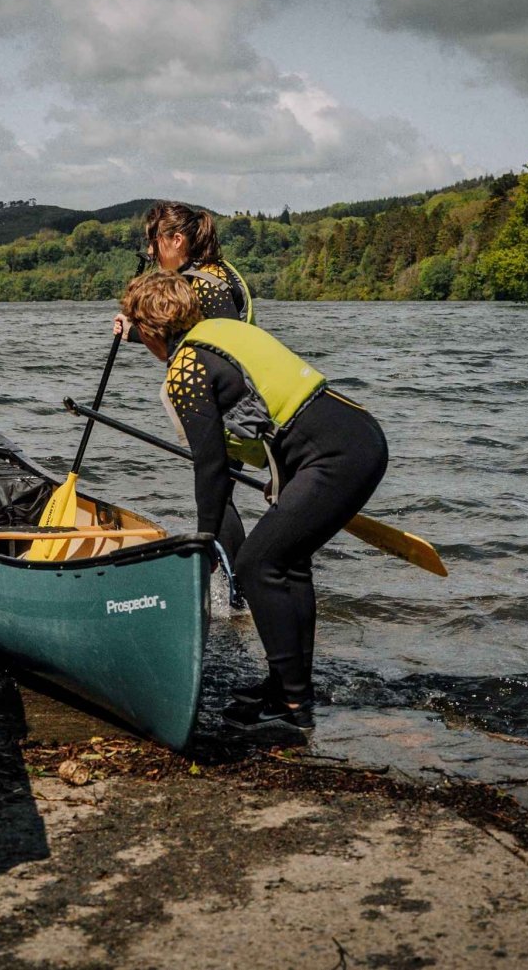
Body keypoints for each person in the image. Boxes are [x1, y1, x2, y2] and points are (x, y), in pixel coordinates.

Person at [118, 270, 388, 734]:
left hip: (334, 456)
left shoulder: (185, 367)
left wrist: (204, 540)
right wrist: (287, 474)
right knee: (287, 563)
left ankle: (293, 706)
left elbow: (210, 465)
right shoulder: (226, 330)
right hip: (355, 434)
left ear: (149, 329)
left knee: (256, 565)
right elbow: (275, 407)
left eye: (140, 333)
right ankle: (287, 686)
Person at [139, 201, 255, 580]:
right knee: (219, 492)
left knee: (216, 493)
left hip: (231, 405)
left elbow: (215, 345)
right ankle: (230, 580)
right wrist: (137, 330)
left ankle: (231, 583)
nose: (150, 252)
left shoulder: (203, 284)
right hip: (233, 399)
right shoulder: (213, 274)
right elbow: (181, 336)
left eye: (153, 242)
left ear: (176, 239)